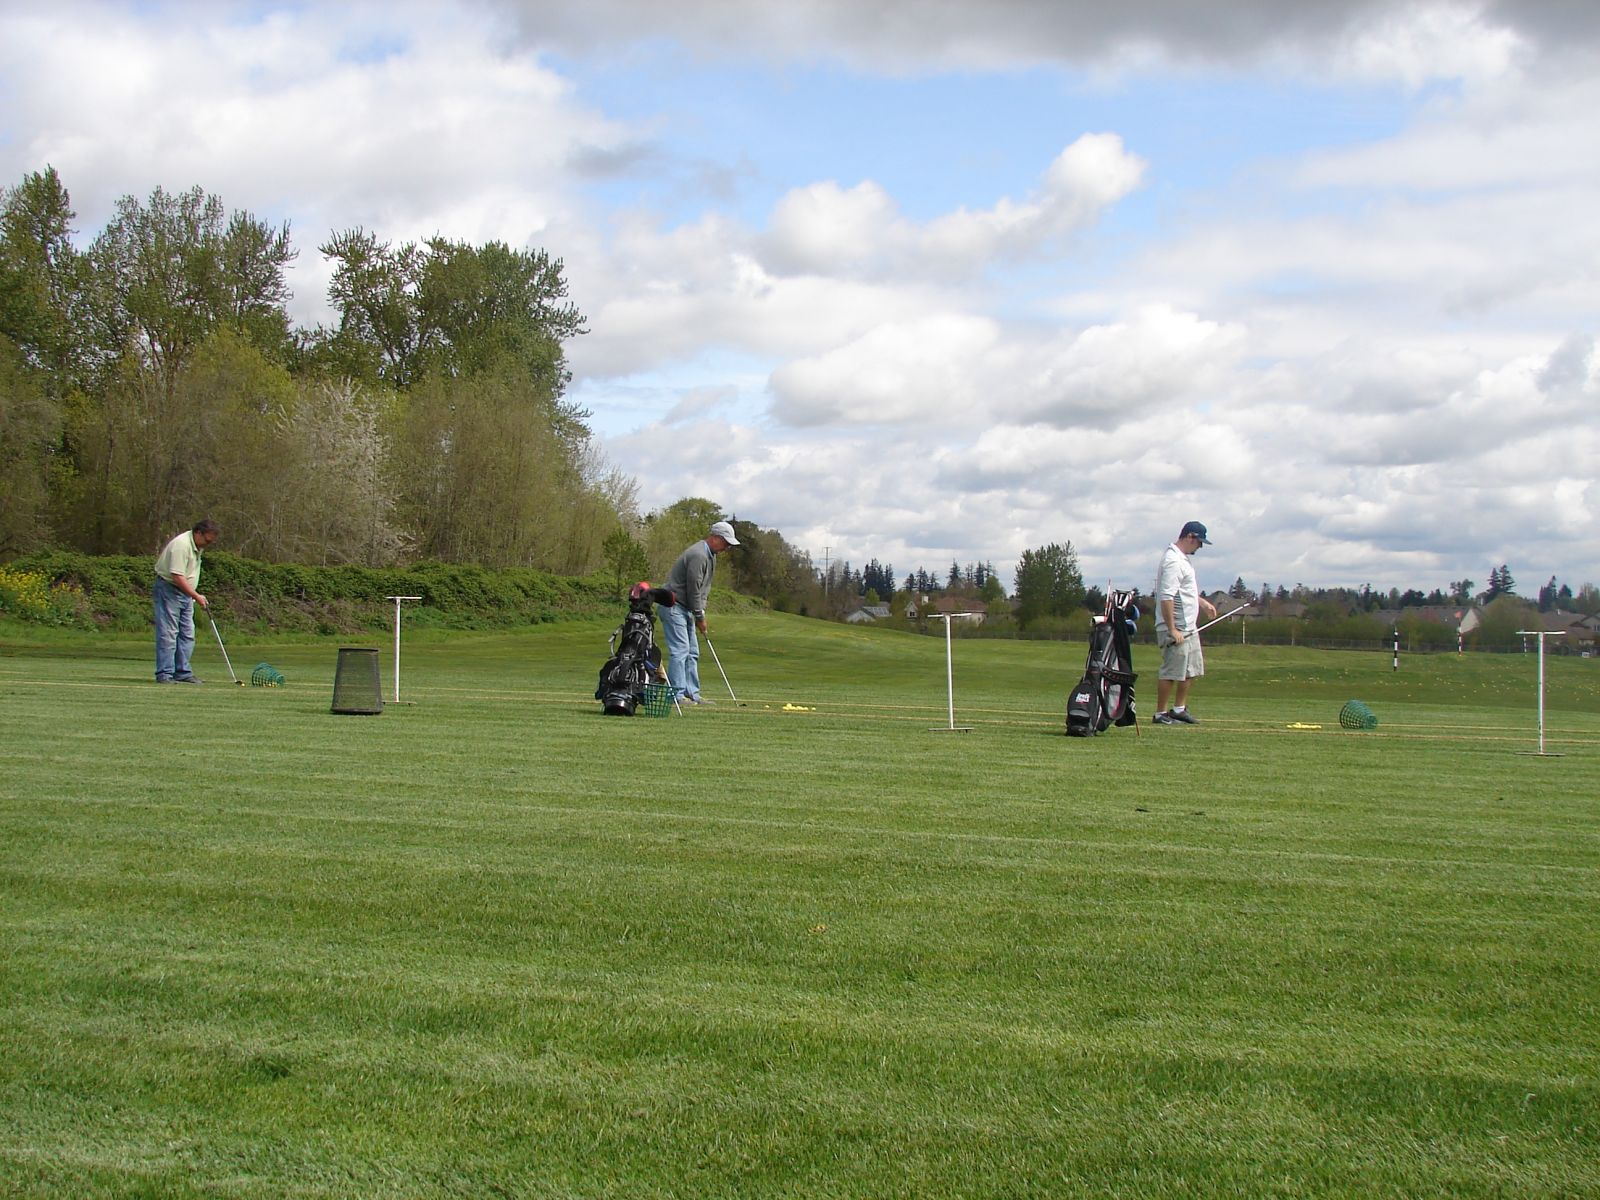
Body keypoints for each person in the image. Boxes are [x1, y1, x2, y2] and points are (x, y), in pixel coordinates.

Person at [657, 520, 739, 704]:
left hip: (686, 608)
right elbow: (693, 589)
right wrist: (700, 616)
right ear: (715, 537)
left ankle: (691, 693)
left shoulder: (711, 555)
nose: (726, 547)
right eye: (725, 542)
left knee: (692, 651)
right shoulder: (699, 555)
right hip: (673, 605)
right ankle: (676, 696)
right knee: (680, 650)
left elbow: (704, 588)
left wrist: (699, 611)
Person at [1152, 520, 1217, 725]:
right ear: (1190, 537)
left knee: (1191, 669)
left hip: (1189, 626)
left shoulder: (1184, 560)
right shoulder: (1173, 561)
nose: (1200, 547)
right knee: (1172, 670)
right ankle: (1160, 714)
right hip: (1176, 627)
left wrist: (1203, 603)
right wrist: (1172, 629)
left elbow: (1185, 591)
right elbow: (1167, 596)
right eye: (1199, 542)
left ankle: (1179, 709)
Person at [153, 518, 220, 683]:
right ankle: (165, 674)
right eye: (206, 540)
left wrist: (192, 594)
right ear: (198, 533)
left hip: (185, 594)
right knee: (169, 634)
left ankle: (182, 672)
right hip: (169, 590)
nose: (207, 544)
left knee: (187, 634)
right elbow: (177, 576)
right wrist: (196, 595)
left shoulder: (197, 546)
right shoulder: (181, 545)